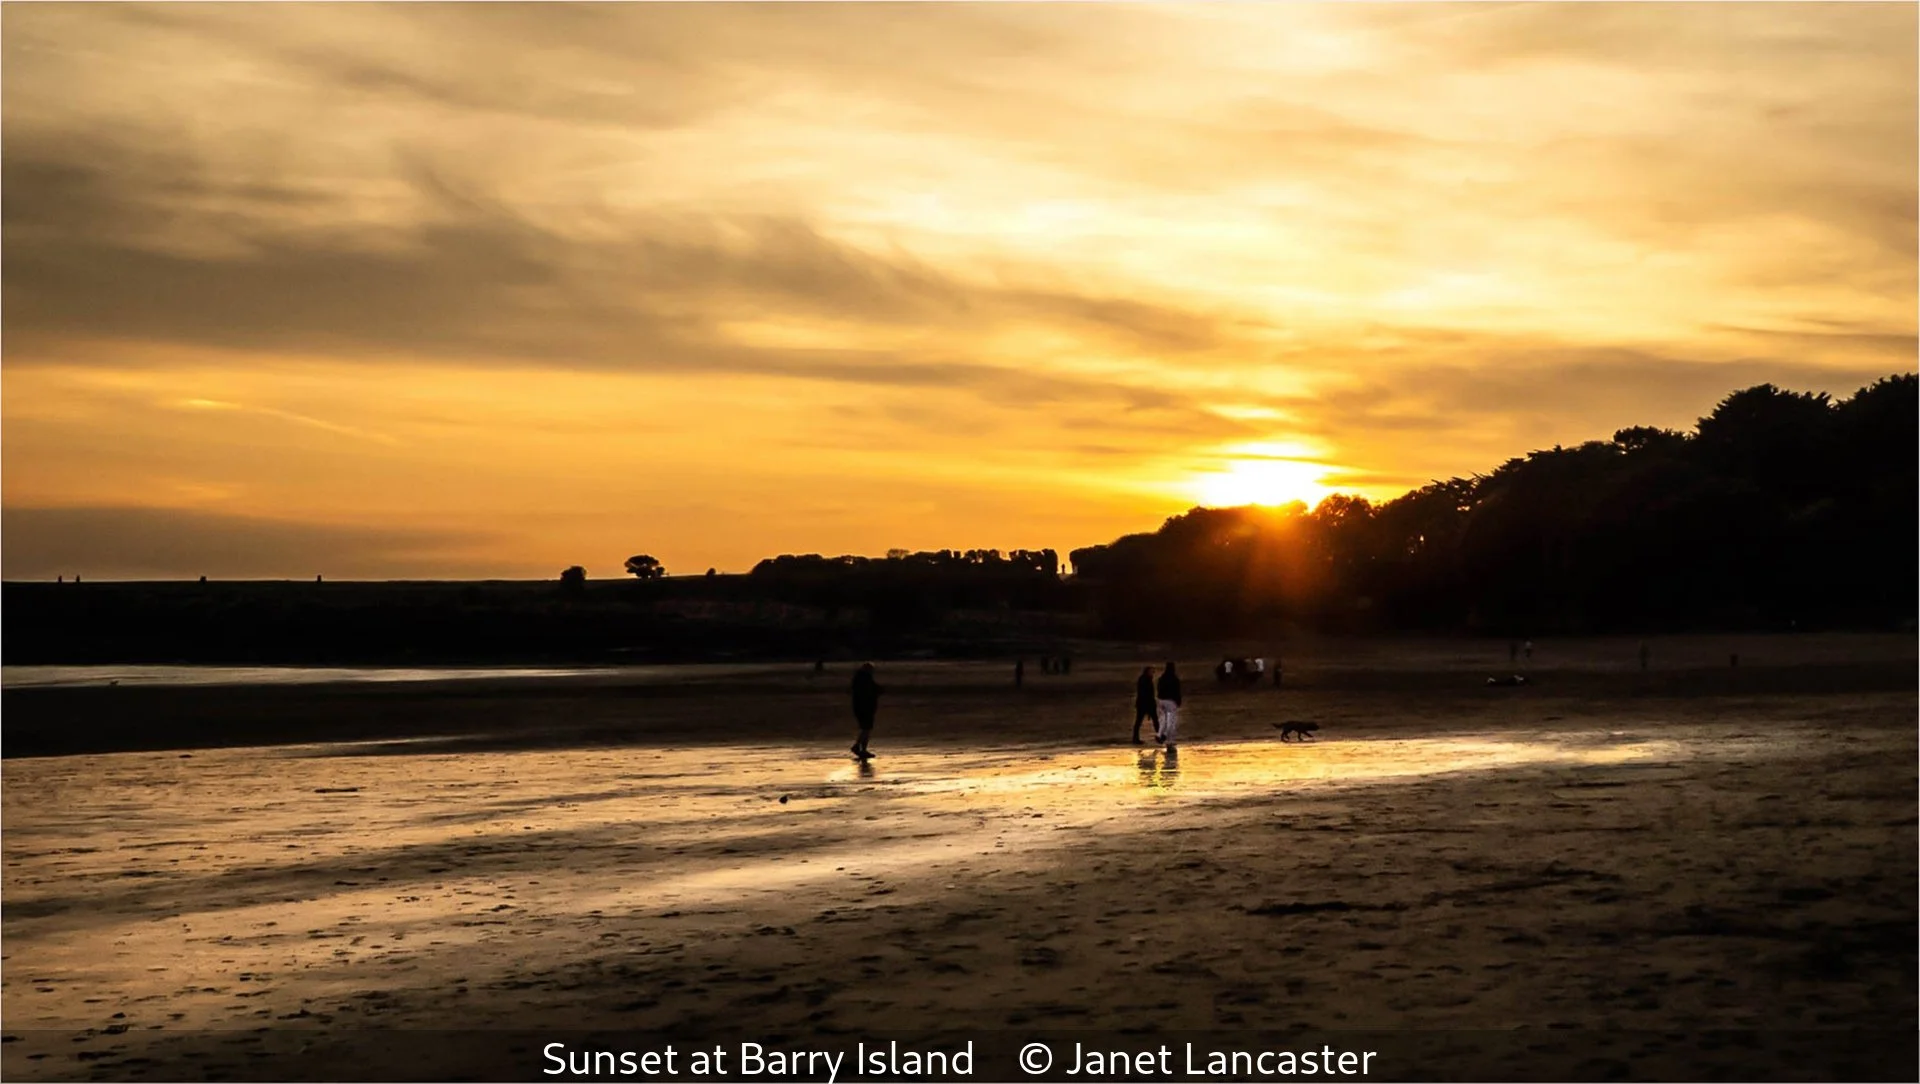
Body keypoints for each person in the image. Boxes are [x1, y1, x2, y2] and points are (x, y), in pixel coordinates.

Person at [849, 663, 883, 760]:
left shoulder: (859, 679)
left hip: (859, 707)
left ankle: (861, 748)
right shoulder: (865, 679)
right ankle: (859, 747)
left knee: (865, 728)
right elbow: (871, 691)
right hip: (865, 707)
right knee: (866, 728)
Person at [1155, 662, 1184, 749]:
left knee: (1162, 719)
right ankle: (1170, 739)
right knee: (1171, 721)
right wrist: (1178, 701)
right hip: (1171, 701)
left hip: (1161, 700)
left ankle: (1160, 734)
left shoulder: (1161, 678)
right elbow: (1177, 691)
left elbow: (1158, 688)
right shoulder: (1174, 679)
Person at [1132, 666, 1157, 745]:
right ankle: (1135, 739)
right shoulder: (1144, 679)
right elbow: (1145, 693)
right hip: (1144, 703)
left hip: (1145, 703)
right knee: (1139, 721)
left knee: (1154, 720)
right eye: (1151, 671)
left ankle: (1160, 736)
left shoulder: (1146, 679)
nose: (1152, 673)